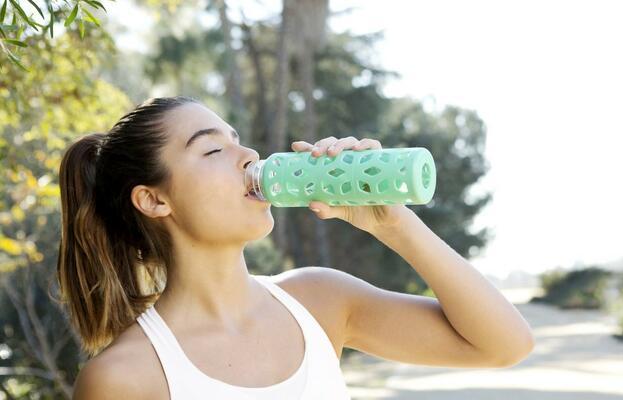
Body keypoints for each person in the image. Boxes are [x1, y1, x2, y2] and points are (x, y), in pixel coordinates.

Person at [59, 96, 535, 400]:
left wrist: (393, 223)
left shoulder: (320, 301)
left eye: (238, 142)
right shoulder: (125, 378)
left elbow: (504, 345)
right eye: (211, 150)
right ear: (154, 199)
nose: (247, 157)